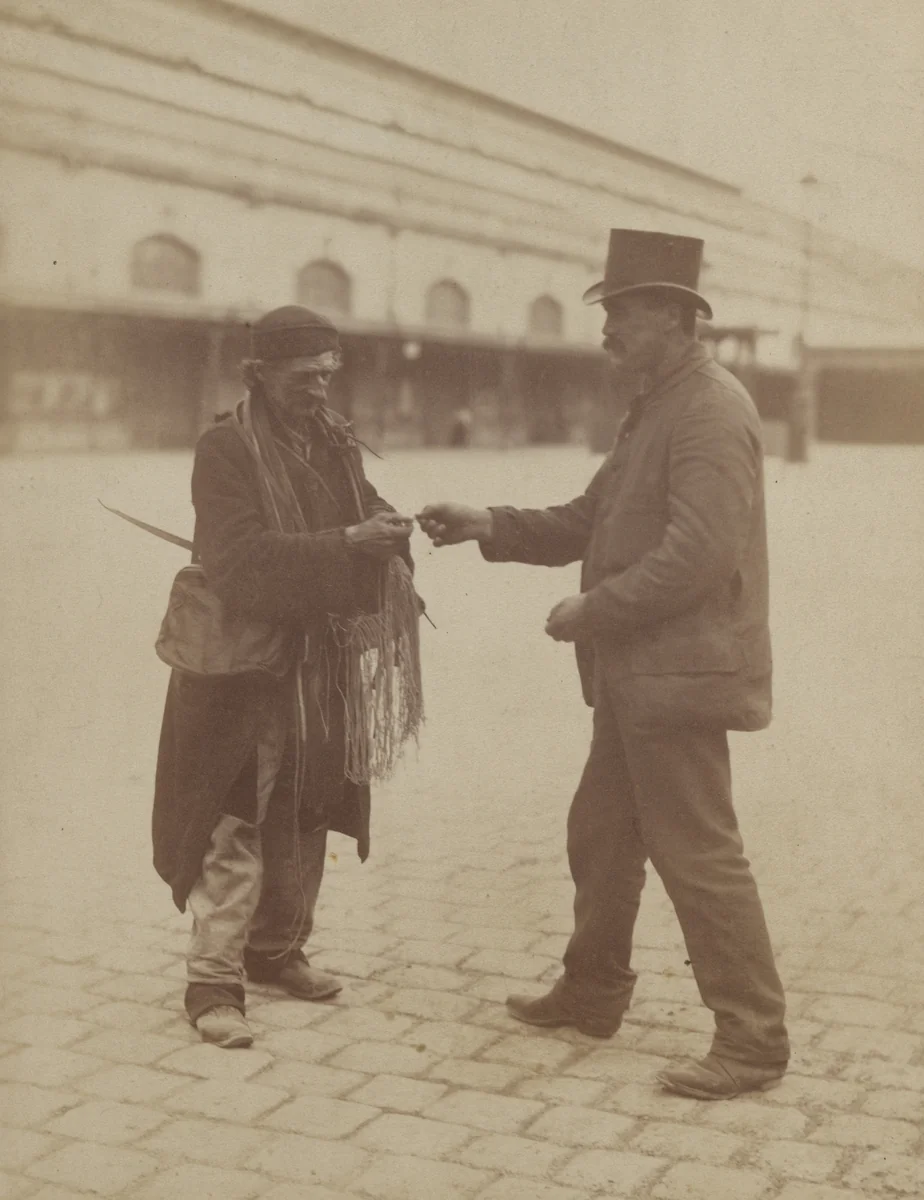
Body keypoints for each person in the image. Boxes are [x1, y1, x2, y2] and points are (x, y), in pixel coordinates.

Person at [418, 230, 789, 1100]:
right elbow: (594, 516)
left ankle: (755, 1039)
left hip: (678, 676)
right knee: (604, 833)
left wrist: (595, 610)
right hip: (642, 677)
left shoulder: (709, 409)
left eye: (619, 312)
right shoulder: (658, 403)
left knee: (698, 853)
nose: (606, 330)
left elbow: (698, 551)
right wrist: (490, 523)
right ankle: (592, 990)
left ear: (672, 315)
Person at [153, 305, 422, 1048]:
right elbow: (238, 562)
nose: (320, 389)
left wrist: (387, 525)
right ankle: (213, 983)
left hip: (317, 664)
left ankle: (277, 951)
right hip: (241, 666)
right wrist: (347, 543)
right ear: (262, 374)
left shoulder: (333, 440)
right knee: (233, 818)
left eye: (330, 374)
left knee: (306, 809)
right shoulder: (225, 449)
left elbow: (361, 504)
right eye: (306, 376)